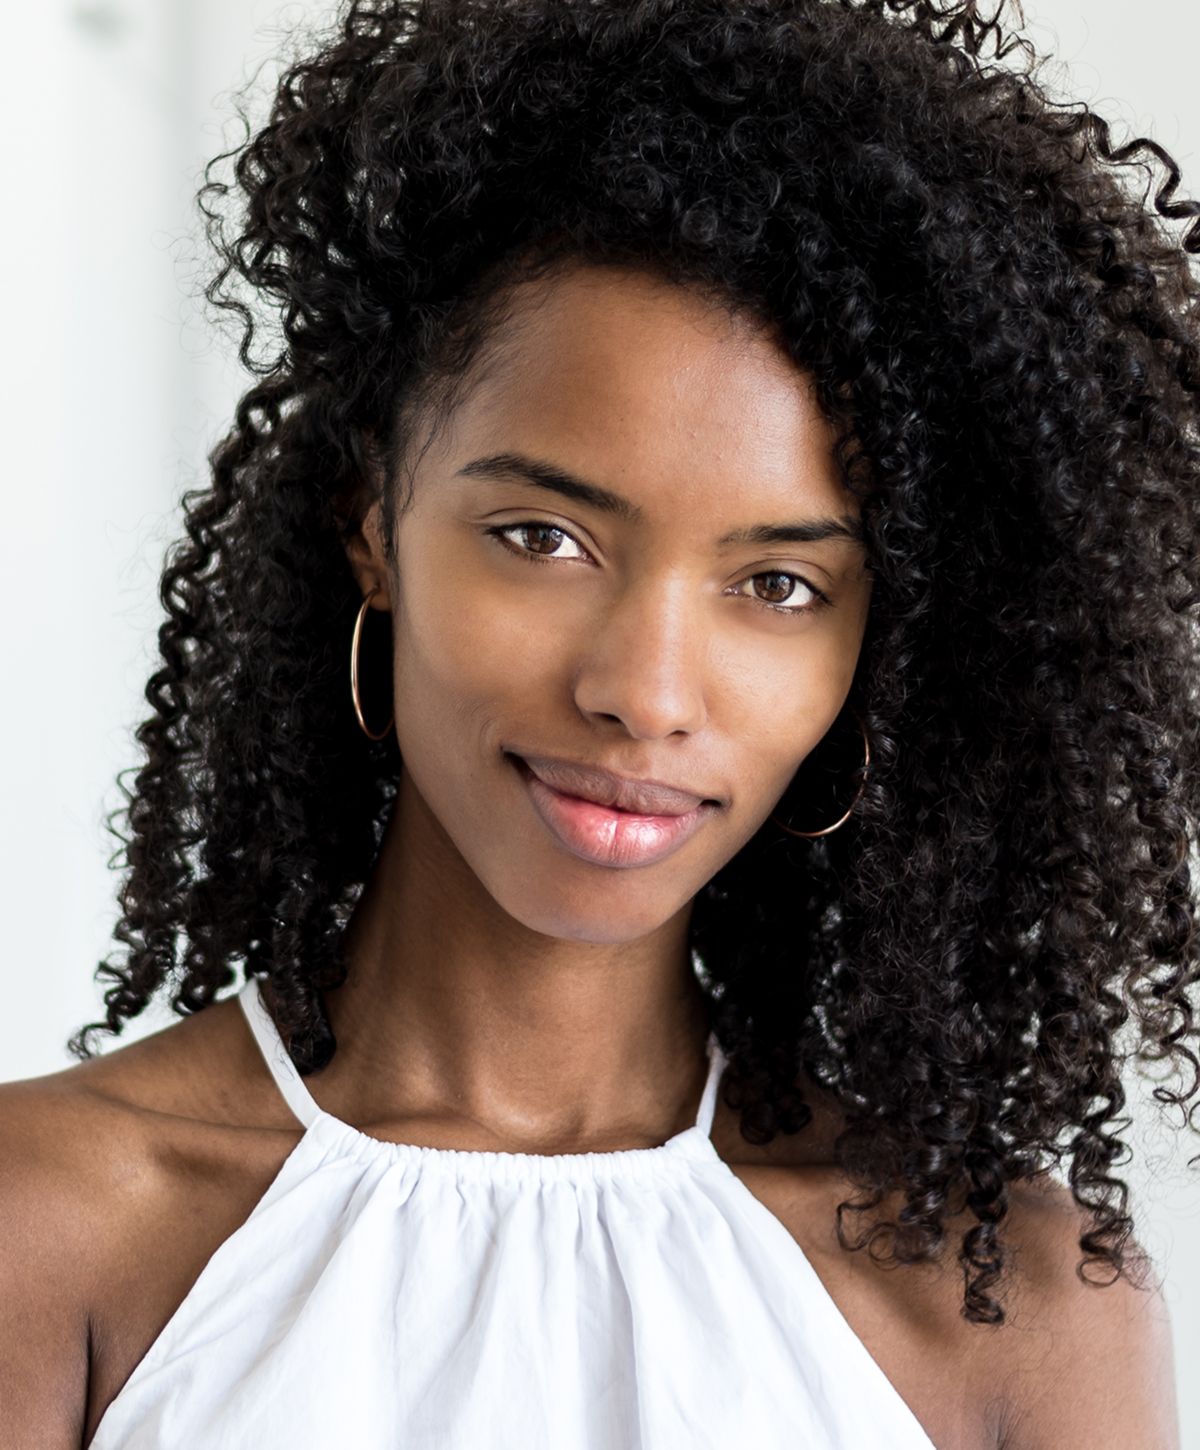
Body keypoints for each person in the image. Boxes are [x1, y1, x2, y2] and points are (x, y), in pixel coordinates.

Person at [2, 0, 1195, 1444]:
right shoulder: (50, 1227)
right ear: (370, 522)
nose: (646, 687)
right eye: (542, 536)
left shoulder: (1019, 1309)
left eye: (777, 581)